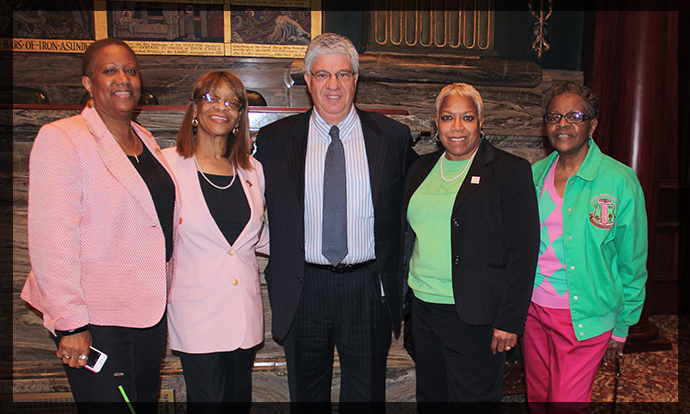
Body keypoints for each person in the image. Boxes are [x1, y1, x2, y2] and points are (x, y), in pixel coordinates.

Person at [254, 32, 418, 409]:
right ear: (308, 81)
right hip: (302, 286)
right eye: (323, 75)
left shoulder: (392, 137)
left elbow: (413, 209)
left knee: (366, 396)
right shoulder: (275, 140)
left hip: (367, 287)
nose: (333, 85)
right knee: (306, 396)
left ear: (355, 80)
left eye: (343, 74)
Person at [20, 38, 178, 413]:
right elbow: (51, 241)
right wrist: (70, 325)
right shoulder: (63, 138)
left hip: (148, 314)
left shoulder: (146, 139)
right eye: (110, 71)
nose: (123, 78)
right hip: (96, 319)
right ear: (88, 83)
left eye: (130, 70)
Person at [400, 83, 540, 411]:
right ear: (436, 123)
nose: (457, 127)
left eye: (467, 117)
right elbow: (408, 236)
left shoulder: (510, 170)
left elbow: (524, 251)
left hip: (476, 316)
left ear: (481, 122)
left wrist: (510, 320)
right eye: (448, 117)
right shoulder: (420, 169)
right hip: (424, 311)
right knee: (431, 399)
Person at [522, 82, 648, 413]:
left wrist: (623, 326)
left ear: (592, 125)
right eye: (554, 116)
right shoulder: (532, 176)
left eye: (574, 116)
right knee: (537, 400)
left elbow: (632, 261)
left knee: (564, 405)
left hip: (586, 317)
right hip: (533, 311)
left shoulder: (619, 181)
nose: (562, 124)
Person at [162, 71, 268, 412]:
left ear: (240, 115)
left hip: (243, 313)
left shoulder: (253, 170)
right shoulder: (167, 165)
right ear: (194, 107)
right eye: (211, 98)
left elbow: (256, 236)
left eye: (232, 102)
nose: (221, 107)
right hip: (197, 316)